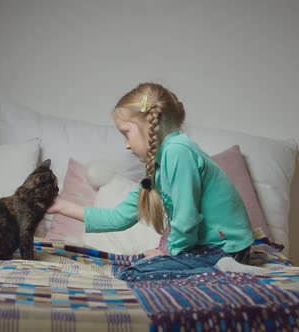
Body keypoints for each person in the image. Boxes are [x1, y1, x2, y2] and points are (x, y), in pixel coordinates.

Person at [47, 82, 258, 281]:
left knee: (132, 275)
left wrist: (166, 254)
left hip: (226, 247)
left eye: (126, 134)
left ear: (149, 125)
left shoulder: (178, 151)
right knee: (138, 266)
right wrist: (61, 206)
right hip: (206, 248)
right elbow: (118, 217)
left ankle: (223, 270)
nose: (126, 145)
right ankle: (211, 268)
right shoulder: (158, 168)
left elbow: (186, 220)